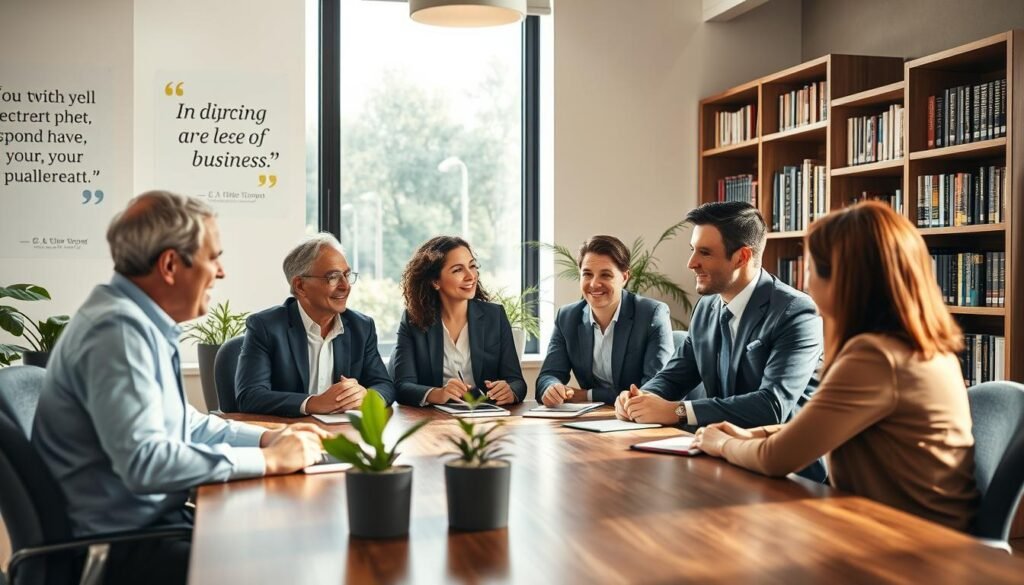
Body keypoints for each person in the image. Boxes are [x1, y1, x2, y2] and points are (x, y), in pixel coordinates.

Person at [32, 191, 328, 585]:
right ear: (170, 264)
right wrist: (271, 462)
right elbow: (147, 462)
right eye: (213, 257)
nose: (221, 271)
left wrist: (267, 440)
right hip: (121, 549)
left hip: (150, 526)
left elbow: (184, 423)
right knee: (286, 561)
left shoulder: (134, 321)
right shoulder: (117, 332)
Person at [693, 201, 978, 531]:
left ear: (845, 278)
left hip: (908, 542)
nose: (806, 283)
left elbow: (776, 460)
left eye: (811, 268)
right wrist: (754, 433)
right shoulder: (919, 345)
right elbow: (829, 426)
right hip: (916, 528)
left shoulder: (874, 357)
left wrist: (722, 444)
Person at [616, 202, 823, 435]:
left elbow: (771, 406)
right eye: (692, 249)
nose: (691, 263)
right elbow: (676, 375)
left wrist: (678, 411)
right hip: (716, 448)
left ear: (741, 257)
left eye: (704, 252)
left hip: (781, 461)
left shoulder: (796, 312)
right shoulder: (706, 307)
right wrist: (641, 399)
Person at [236, 233, 395, 416]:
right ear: (300, 286)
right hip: (287, 434)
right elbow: (249, 396)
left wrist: (367, 396)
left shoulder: (362, 326)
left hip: (344, 434)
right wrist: (313, 403)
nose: (345, 286)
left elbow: (385, 385)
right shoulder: (265, 327)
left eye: (347, 275)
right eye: (333, 277)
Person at [537, 235, 674, 406]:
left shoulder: (651, 314)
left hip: (641, 420)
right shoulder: (567, 317)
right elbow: (547, 376)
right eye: (587, 274)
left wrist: (588, 395)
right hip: (592, 420)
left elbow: (654, 390)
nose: (594, 284)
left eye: (605, 275)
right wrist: (552, 388)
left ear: (624, 277)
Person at [390, 236, 526, 406]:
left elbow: (517, 382)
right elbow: (402, 386)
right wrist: (438, 393)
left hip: (486, 417)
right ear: (435, 281)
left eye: (472, 266)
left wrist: (509, 391)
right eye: (457, 270)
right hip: (433, 421)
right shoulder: (414, 320)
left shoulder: (495, 316)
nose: (471, 276)